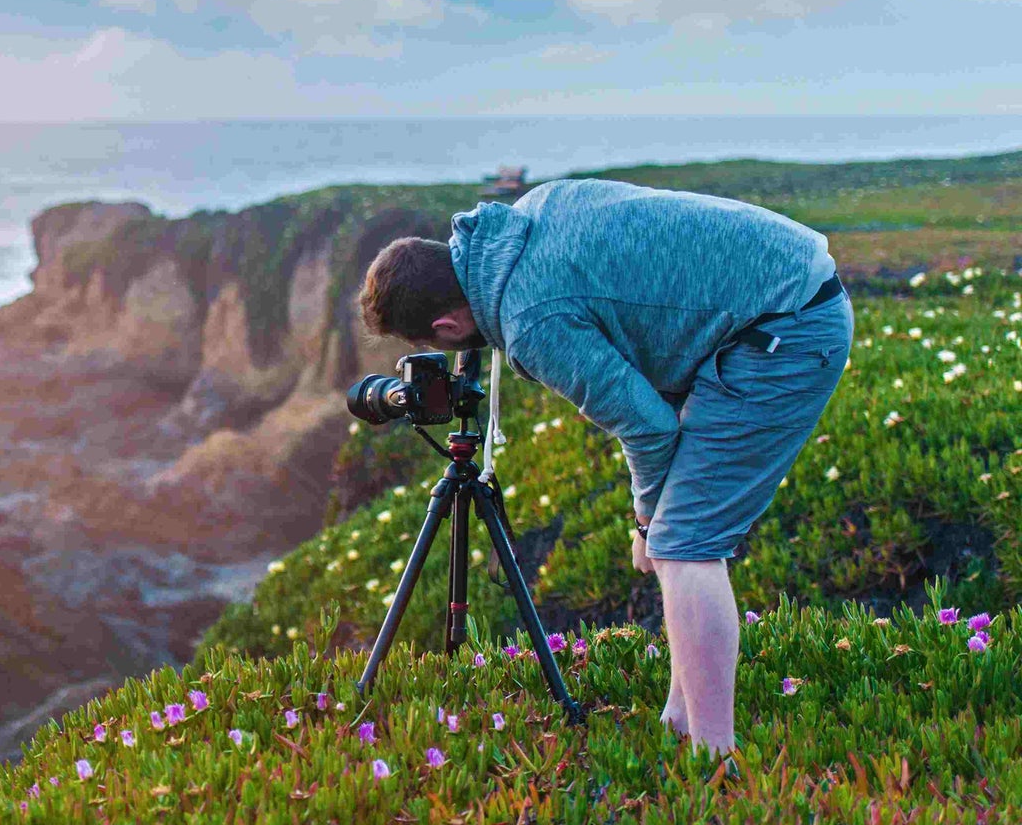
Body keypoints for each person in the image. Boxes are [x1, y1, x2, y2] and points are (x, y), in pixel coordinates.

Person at [356, 177, 852, 755]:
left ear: (445, 328)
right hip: (768, 291)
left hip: (785, 329)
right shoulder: (526, 214)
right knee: (678, 536)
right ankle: (680, 717)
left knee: (684, 545)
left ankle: (715, 755)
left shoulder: (533, 321)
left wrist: (645, 522)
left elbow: (647, 426)